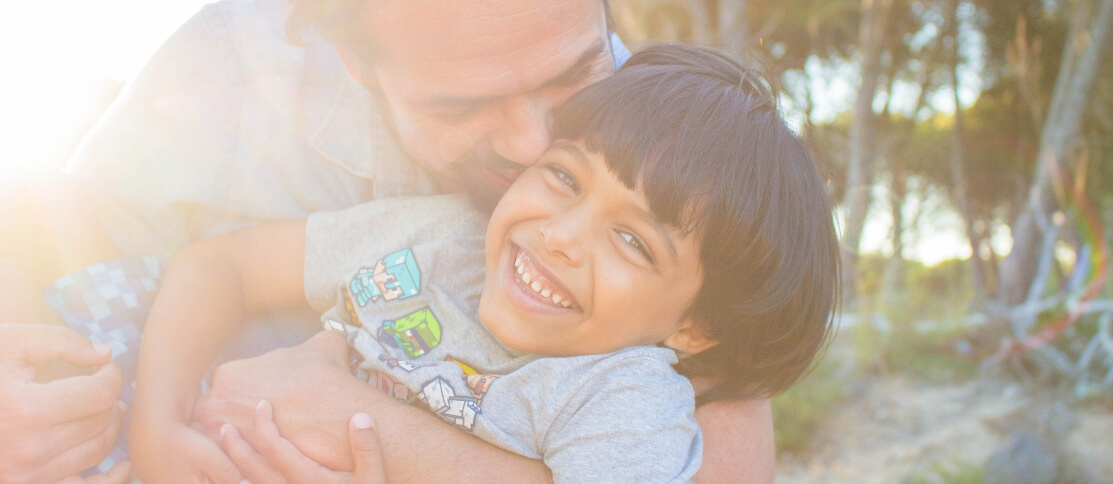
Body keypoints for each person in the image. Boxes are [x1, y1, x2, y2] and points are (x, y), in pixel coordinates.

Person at [0, 0, 776, 482]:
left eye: (571, 75)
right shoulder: (232, 70)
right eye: (457, 106)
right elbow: (47, 225)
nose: (533, 143)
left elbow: (728, 462)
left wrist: (372, 435)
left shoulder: (672, 154)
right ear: (354, 61)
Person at [129, 46, 841, 483]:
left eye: (634, 242)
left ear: (696, 326)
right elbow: (221, 266)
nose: (562, 236)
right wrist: (155, 429)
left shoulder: (621, 402)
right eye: (564, 177)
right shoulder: (437, 238)